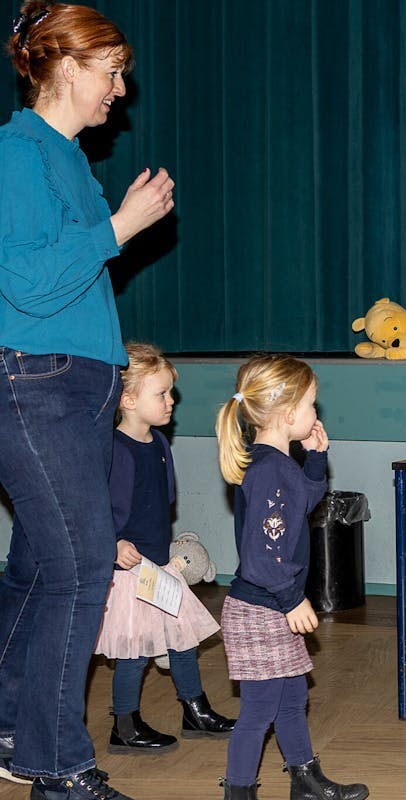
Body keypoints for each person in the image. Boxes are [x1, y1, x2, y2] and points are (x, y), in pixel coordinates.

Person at [0, 3, 174, 796]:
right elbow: (26, 283)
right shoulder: (16, 153)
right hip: (35, 383)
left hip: (78, 386)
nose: (121, 89)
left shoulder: (67, 160)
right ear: (67, 68)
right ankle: (58, 768)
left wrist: (115, 223)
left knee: (42, 567)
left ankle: (14, 724)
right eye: (111, 71)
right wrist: (120, 225)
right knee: (80, 570)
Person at [216, 355, 368, 800]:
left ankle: (305, 782)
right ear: (287, 414)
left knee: (293, 696)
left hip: (269, 607)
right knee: (258, 711)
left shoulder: (276, 463)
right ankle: (239, 792)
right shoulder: (268, 471)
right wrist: (291, 598)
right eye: (310, 404)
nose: (315, 412)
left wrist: (316, 458)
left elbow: (302, 502)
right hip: (261, 609)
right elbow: (261, 556)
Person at [94, 344, 236, 755]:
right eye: (161, 393)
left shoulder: (158, 443)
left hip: (157, 567)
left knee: (182, 638)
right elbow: (96, 507)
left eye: (170, 392)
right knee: (135, 652)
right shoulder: (114, 450)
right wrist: (112, 543)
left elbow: (163, 501)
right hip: (128, 572)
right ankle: (124, 724)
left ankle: (196, 710)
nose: (171, 400)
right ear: (128, 399)